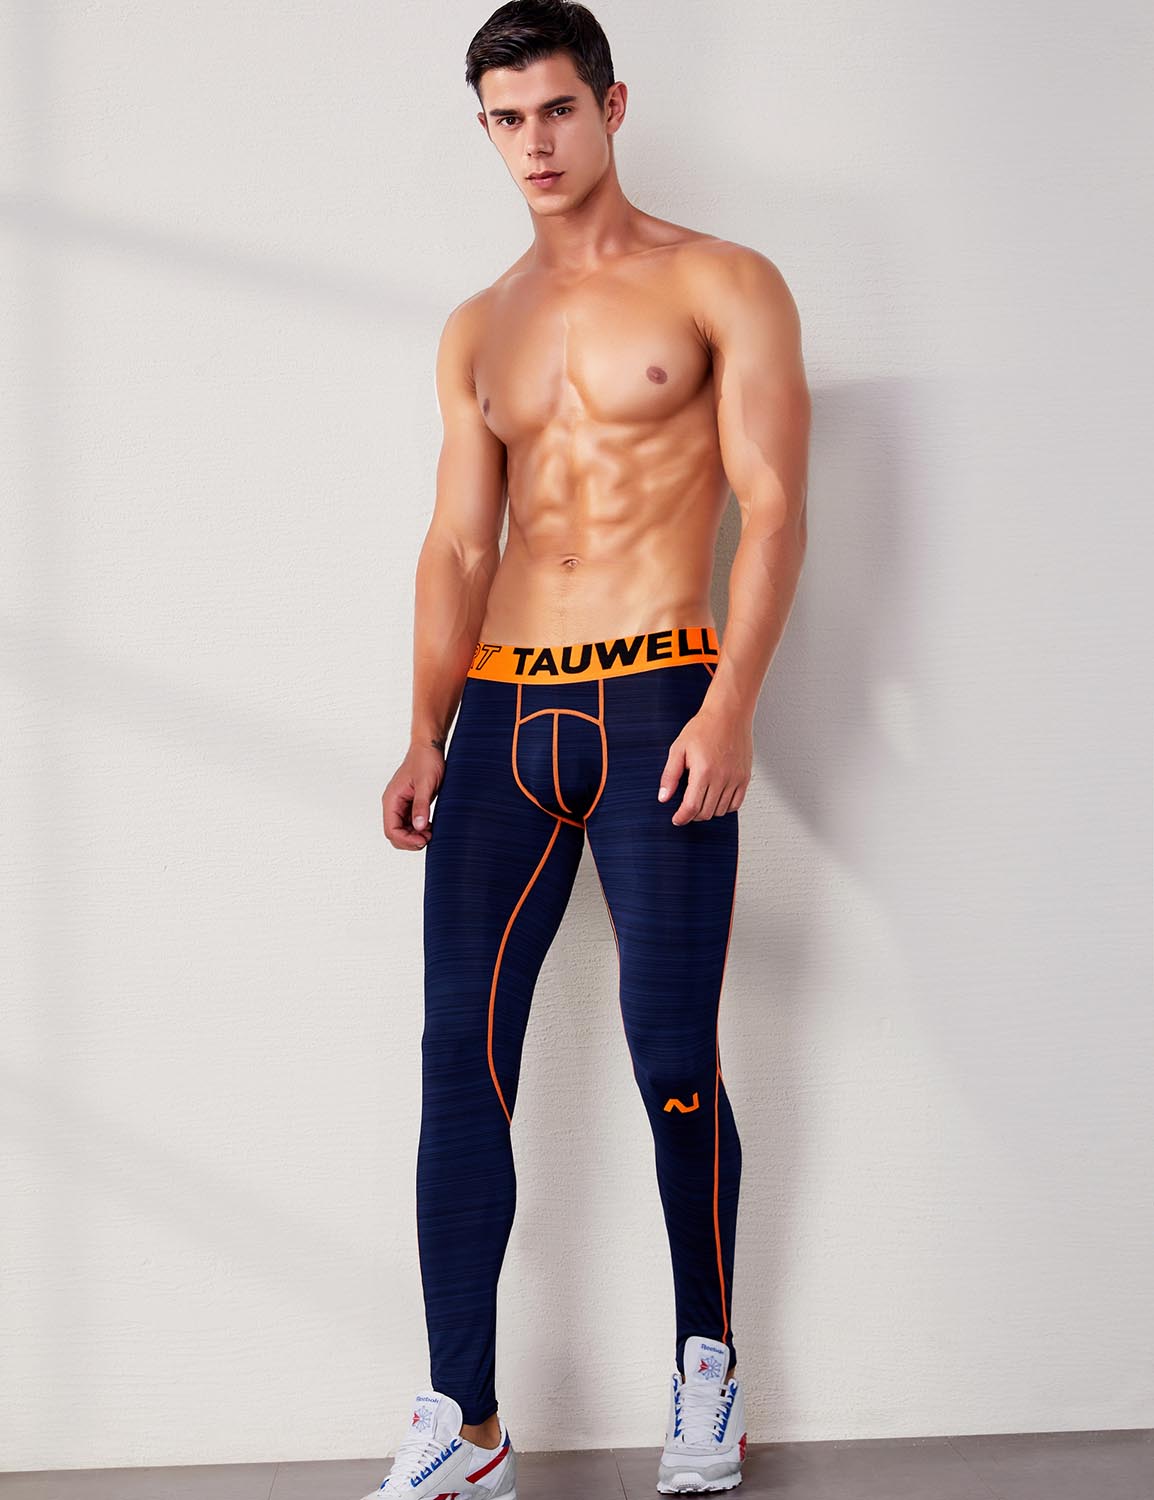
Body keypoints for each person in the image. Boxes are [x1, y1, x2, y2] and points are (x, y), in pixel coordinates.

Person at [371, 2, 809, 1494]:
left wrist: (731, 702)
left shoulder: (721, 280)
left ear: (612, 106)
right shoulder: (476, 325)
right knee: (459, 1061)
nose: (534, 144)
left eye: (556, 109)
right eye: (506, 119)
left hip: (656, 700)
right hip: (502, 713)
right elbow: (456, 542)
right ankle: (464, 1422)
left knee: (671, 1056)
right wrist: (423, 730)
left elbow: (773, 506)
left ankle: (707, 1372)